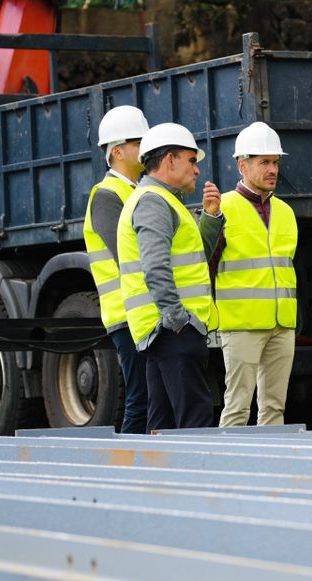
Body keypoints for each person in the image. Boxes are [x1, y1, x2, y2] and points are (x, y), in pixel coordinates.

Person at [117, 123, 224, 432]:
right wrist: (178, 319)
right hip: (172, 330)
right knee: (194, 420)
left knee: (162, 424)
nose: (197, 170)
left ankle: (158, 480)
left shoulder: (161, 199)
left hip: (163, 331)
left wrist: (212, 216)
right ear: (169, 160)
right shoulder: (154, 201)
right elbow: (156, 267)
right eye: (192, 160)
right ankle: (194, 481)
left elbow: (195, 256)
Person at [215, 122, 298, 427]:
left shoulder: (286, 212)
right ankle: (229, 471)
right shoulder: (222, 207)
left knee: (275, 409)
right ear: (242, 166)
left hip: (282, 324)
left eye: (275, 162)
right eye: (264, 162)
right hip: (241, 324)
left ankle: (269, 470)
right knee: (237, 407)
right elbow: (206, 266)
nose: (272, 169)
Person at [83, 105, 149, 433]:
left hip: (141, 310)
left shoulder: (137, 191)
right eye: (140, 142)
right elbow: (129, 254)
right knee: (141, 396)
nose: (147, 148)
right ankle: (126, 462)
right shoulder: (107, 195)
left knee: (148, 395)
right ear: (118, 151)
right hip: (126, 313)